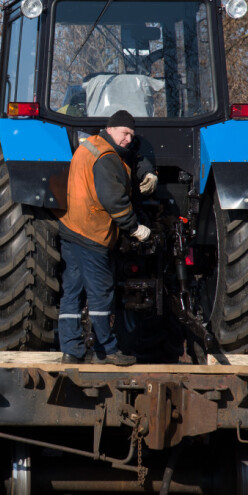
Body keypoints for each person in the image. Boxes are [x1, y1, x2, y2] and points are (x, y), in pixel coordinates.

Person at [56, 110, 156, 365]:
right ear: (110, 129)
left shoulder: (89, 146)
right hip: (92, 232)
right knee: (101, 293)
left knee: (73, 292)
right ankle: (107, 350)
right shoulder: (108, 157)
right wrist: (134, 228)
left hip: (71, 227)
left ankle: (71, 350)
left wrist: (146, 169)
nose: (128, 140)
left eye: (132, 135)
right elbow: (114, 199)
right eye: (125, 133)